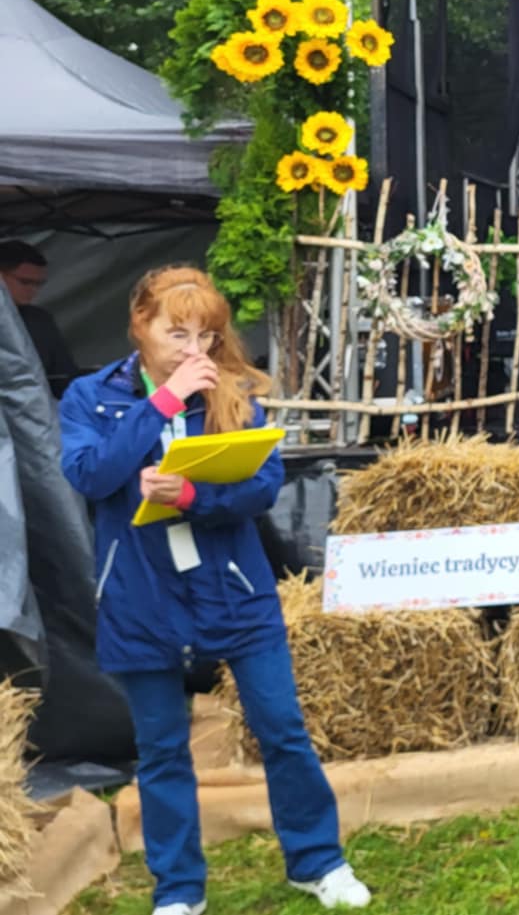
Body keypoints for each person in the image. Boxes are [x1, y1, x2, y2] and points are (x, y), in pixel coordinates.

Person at [58, 266, 369, 915]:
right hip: (140, 595)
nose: (195, 349)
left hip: (232, 587)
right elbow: (89, 475)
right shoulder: (90, 396)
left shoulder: (233, 391)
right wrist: (162, 403)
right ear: (139, 325)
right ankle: (179, 890)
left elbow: (262, 486)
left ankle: (318, 861)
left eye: (206, 335)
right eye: (178, 333)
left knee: (282, 728)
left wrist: (194, 496)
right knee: (162, 748)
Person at [0, 240, 79, 393]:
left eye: (38, 284)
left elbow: (64, 374)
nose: (33, 290)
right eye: (25, 282)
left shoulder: (40, 320)